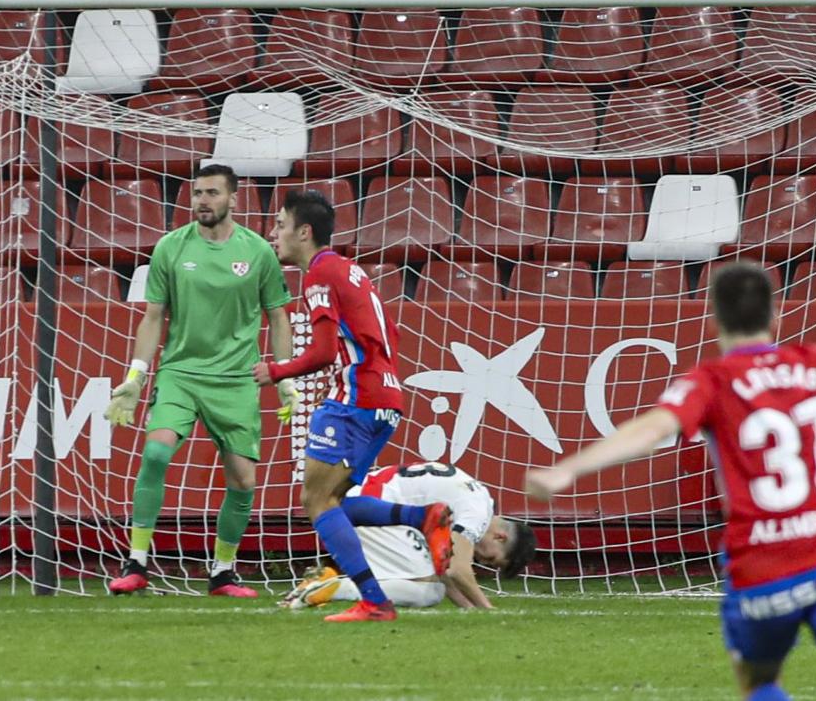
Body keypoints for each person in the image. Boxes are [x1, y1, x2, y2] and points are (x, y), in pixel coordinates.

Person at [526, 262, 816, 701]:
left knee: (759, 681)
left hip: (762, 570)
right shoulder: (815, 363)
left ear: (714, 316)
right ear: (774, 314)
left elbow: (652, 430)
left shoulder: (712, 381)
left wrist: (569, 469)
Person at [254, 190, 453, 622]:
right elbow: (391, 332)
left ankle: (374, 601)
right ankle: (422, 516)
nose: (274, 233)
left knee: (316, 501)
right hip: (387, 398)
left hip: (355, 398)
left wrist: (277, 370)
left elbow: (324, 351)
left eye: (281, 225)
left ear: (304, 232)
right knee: (335, 501)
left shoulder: (319, 274)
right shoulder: (349, 269)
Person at [106, 164, 298, 598]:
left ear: (233, 199)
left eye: (212, 193)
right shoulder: (171, 247)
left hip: (236, 379)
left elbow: (278, 316)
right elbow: (153, 317)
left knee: (243, 482)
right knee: (156, 452)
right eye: (197, 193)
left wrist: (285, 375)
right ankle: (136, 562)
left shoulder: (258, 251)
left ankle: (222, 573)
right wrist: (135, 376)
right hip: (181, 373)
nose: (202, 201)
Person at [282, 461, 537, 610]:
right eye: (492, 559)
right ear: (500, 537)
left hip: (356, 503)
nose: (482, 561)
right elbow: (456, 571)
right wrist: (488, 610)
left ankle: (325, 582)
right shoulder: (477, 513)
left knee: (428, 582)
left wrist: (470, 609)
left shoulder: (478, 497)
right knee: (427, 592)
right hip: (370, 510)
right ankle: (335, 587)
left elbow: (443, 569)